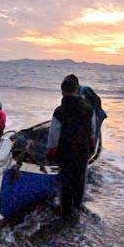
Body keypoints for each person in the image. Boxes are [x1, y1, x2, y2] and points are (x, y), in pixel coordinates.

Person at [46, 75, 98, 216]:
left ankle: (67, 210)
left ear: (62, 91)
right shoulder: (89, 109)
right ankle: (77, 205)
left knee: (66, 180)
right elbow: (93, 131)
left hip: (66, 151)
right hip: (83, 150)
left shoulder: (59, 111)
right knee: (80, 178)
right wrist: (92, 145)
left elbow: (54, 135)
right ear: (77, 89)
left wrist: (51, 152)